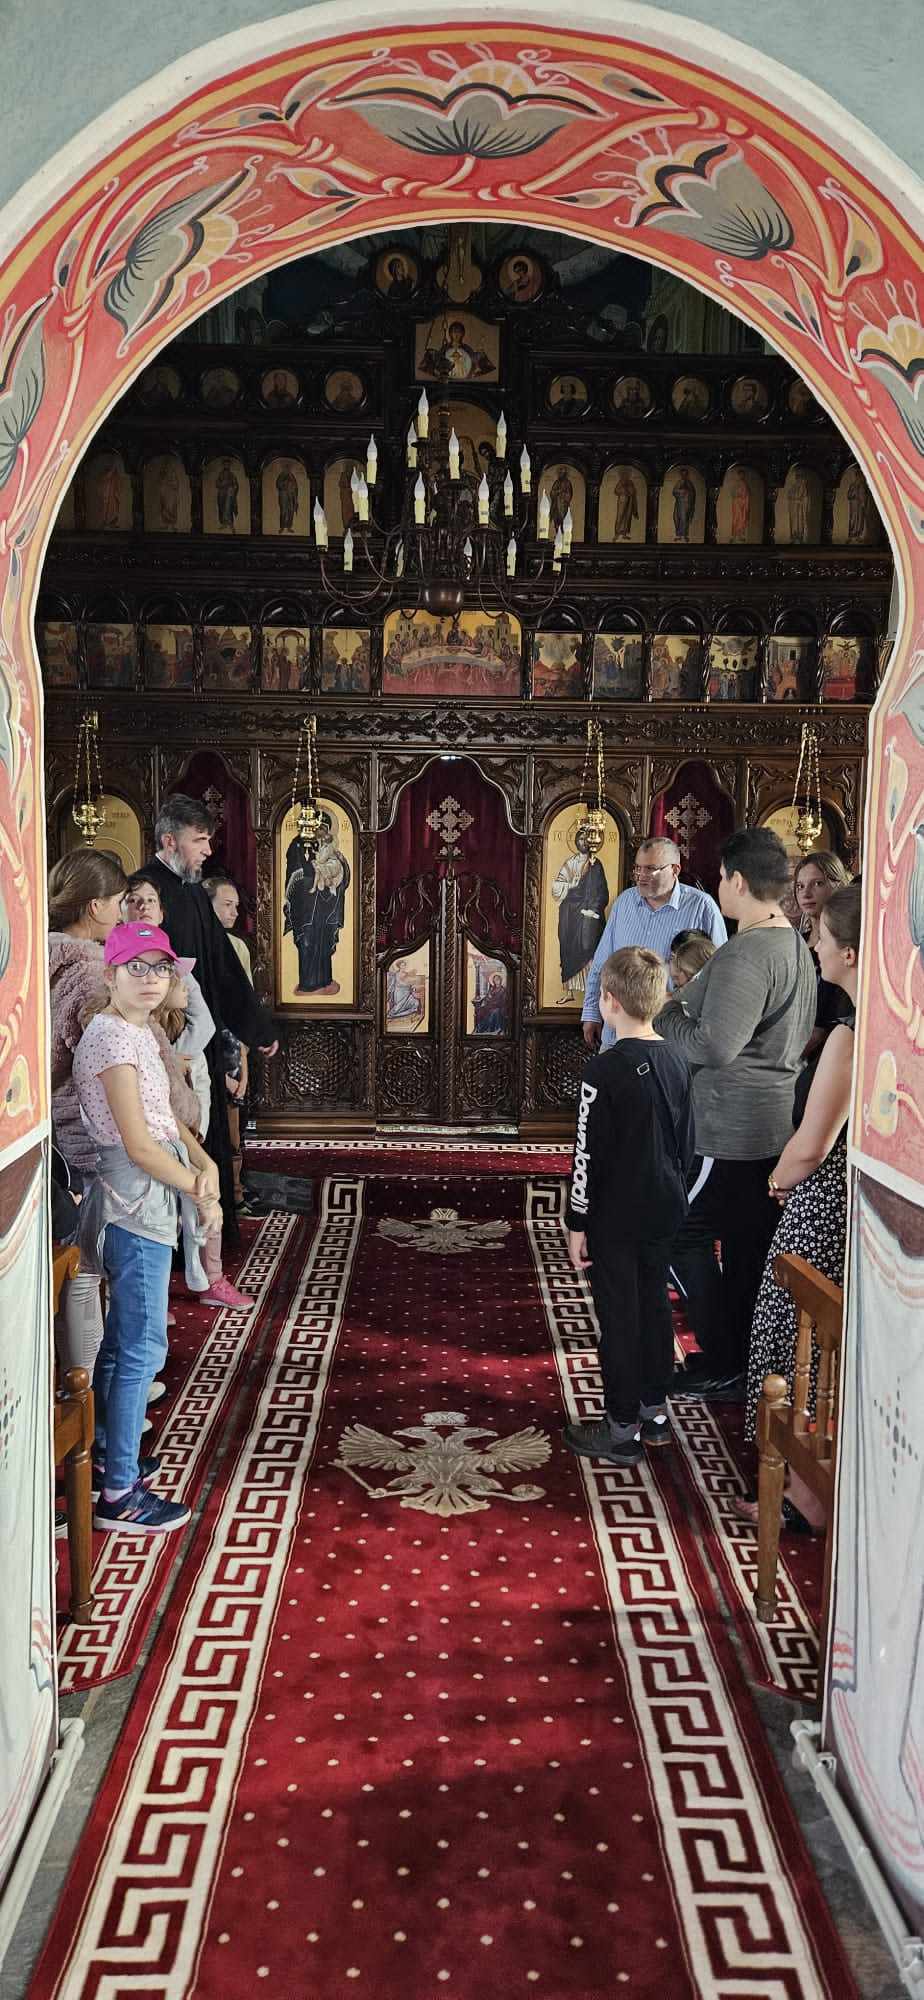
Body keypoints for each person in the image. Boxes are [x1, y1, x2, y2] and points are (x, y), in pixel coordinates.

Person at [73, 921, 223, 1534]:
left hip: (151, 1186)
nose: (152, 978)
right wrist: (197, 1188)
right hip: (132, 1198)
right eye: (137, 967)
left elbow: (163, 1119)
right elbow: (137, 1144)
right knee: (142, 1345)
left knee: (122, 1340)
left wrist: (206, 1162)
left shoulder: (134, 1031)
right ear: (111, 974)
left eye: (161, 968)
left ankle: (112, 1453)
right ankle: (119, 1494)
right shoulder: (111, 1038)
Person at [657, 827, 817, 1399]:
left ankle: (725, 1357)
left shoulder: (748, 952)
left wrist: (666, 1016)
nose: (719, 886)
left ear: (739, 881)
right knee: (747, 1248)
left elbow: (714, 1046)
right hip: (769, 1123)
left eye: (722, 877)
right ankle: (742, 1364)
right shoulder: (789, 940)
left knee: (679, 1235)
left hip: (730, 1129)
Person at [734, 883, 861, 1530]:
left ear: (850, 952)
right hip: (842, 1205)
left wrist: (779, 1179)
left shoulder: (849, 1035)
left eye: (821, 937)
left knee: (796, 1340)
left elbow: (814, 1144)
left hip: (822, 1206)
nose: (814, 946)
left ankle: (806, 1493)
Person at [563, 948, 695, 1466]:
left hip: (616, 1213)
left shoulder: (603, 1070)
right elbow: (688, 1142)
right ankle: (654, 1413)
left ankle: (620, 1429)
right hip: (666, 1204)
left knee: (619, 1315)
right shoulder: (678, 1060)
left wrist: (577, 1221)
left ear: (609, 1000)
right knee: (655, 1304)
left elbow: (586, 1155)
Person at [133, 797, 278, 1240]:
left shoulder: (194, 891)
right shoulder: (145, 892)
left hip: (204, 1039)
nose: (207, 850)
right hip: (162, 1042)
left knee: (207, 1132)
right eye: (199, 840)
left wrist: (255, 1025)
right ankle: (175, 1244)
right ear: (169, 841)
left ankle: (207, 1240)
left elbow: (223, 966)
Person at [49, 850, 130, 1380]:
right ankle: (91, 1391)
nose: (122, 912)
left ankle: (83, 1384)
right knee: (87, 1269)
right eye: (118, 901)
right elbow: (105, 1060)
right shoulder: (88, 974)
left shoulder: (36, 960)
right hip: (85, 1131)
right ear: (95, 905)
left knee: (75, 1262)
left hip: (49, 1130)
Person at [582, 838, 726, 1052]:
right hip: (618, 1037)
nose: (641, 876)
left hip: (671, 1040)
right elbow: (602, 963)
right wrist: (592, 1012)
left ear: (675, 870)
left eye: (650, 869)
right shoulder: (624, 903)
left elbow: (720, 976)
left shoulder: (702, 907)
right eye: (638, 868)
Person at [203, 873, 252, 1212]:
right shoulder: (193, 944)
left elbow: (243, 1008)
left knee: (236, 1132)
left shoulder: (238, 947)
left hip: (233, 1047)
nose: (235, 912)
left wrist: (243, 1063)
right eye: (227, 905)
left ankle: (235, 1194)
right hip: (204, 1050)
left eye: (236, 906)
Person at [793, 850, 853, 1054]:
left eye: (817, 883)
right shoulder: (796, 941)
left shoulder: (846, 946)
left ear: (838, 884)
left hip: (828, 1049)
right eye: (800, 886)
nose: (806, 894)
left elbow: (823, 1027)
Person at [284, 815, 351, 995]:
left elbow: (343, 875)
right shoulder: (298, 844)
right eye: (317, 826)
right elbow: (294, 872)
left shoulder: (330, 847)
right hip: (306, 907)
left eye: (323, 827)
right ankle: (307, 984)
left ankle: (325, 980)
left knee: (324, 942)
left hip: (325, 907)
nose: (319, 830)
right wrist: (313, 874)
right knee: (307, 941)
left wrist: (339, 866)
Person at [552, 830, 609, 1003]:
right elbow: (556, 887)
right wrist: (571, 884)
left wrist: (594, 909)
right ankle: (569, 993)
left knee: (588, 948)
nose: (583, 842)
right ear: (576, 841)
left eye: (586, 839)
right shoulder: (571, 863)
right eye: (580, 838)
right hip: (569, 913)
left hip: (588, 915)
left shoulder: (595, 864)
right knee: (568, 950)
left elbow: (602, 891)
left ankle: (591, 993)